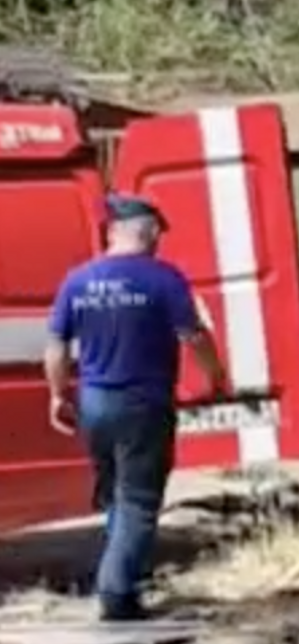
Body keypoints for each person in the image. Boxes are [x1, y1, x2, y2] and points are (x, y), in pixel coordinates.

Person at [44, 194, 228, 621]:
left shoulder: (78, 280)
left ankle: (126, 577)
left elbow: (56, 346)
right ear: (147, 233)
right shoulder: (163, 279)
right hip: (143, 404)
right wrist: (215, 377)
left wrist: (57, 395)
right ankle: (116, 593)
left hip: (94, 403)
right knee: (139, 501)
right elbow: (193, 336)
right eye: (158, 233)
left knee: (114, 496)